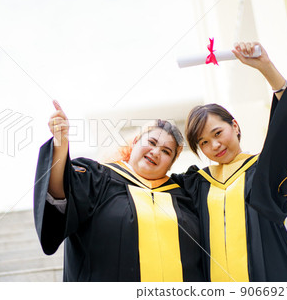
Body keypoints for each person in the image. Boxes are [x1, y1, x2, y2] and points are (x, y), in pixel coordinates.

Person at [172, 42, 287, 282]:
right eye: (203, 142)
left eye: (217, 133)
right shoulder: (197, 184)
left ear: (234, 126)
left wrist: (265, 66)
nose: (214, 146)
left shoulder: (263, 171)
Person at [33, 101, 205, 281]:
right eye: (152, 142)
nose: (155, 152)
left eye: (166, 151)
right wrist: (61, 143)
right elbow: (60, 193)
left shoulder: (183, 194)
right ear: (136, 142)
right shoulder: (98, 178)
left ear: (171, 164)